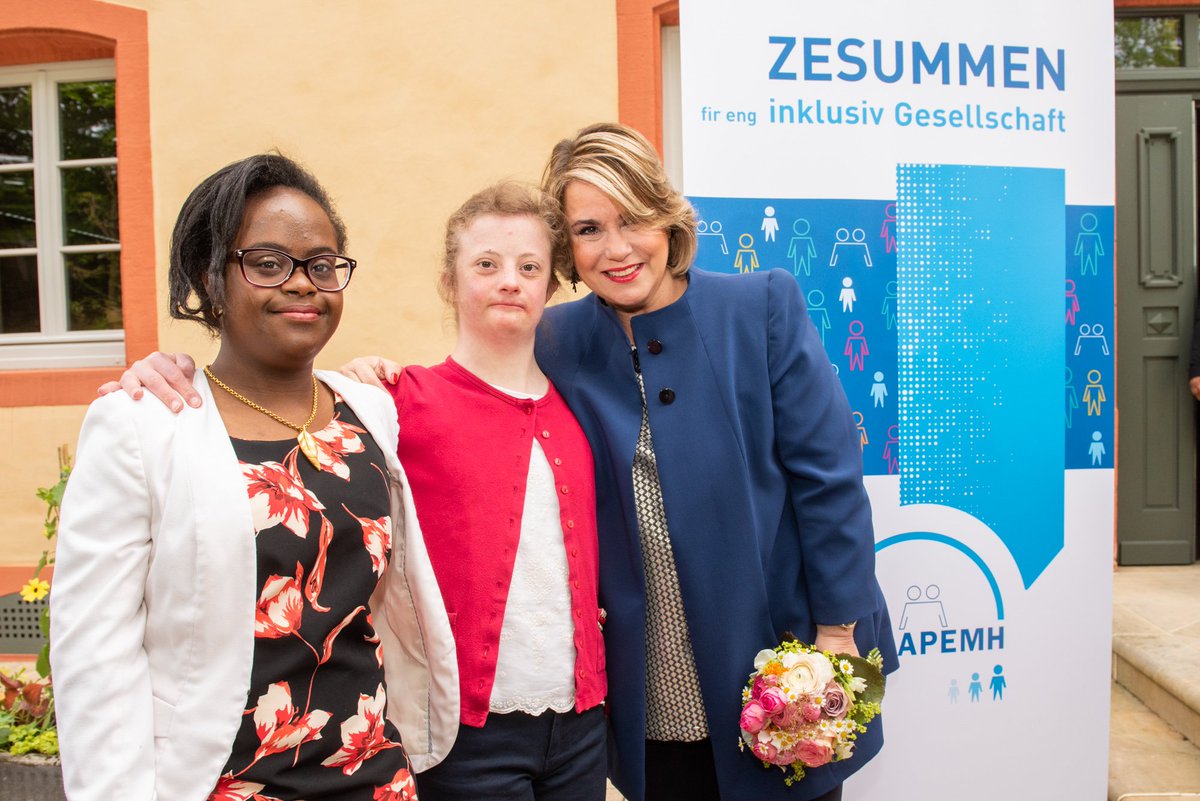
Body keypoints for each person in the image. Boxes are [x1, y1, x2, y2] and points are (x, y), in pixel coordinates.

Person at [108, 122, 899, 801]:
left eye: (633, 219)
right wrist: (178, 372)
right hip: (646, 690)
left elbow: (828, 484)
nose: (617, 248)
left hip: (774, 666)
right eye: (588, 230)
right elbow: (441, 385)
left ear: (669, 215)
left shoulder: (758, 306)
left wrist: (837, 636)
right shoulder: (562, 336)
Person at [98, 181, 608, 801]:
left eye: (529, 267)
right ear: (448, 281)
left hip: (571, 722)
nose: (509, 281)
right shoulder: (391, 400)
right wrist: (158, 372)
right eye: (485, 264)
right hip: (456, 729)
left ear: (551, 285)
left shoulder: (577, 405)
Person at [52, 154, 446, 801]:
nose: (303, 283)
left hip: (373, 775)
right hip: (225, 782)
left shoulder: (368, 412)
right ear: (210, 277)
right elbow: (94, 654)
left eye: (322, 264)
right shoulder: (144, 426)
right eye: (268, 263)